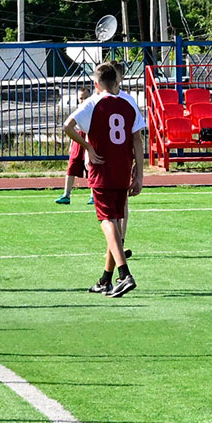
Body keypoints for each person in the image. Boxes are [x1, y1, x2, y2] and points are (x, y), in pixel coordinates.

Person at [63, 63, 144, 298]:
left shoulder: (93, 103)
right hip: (123, 169)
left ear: (96, 84)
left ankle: (124, 274)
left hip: (102, 170)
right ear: (117, 82)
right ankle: (105, 280)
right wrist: (139, 173)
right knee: (116, 224)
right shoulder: (129, 102)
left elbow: (67, 126)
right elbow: (137, 139)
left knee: (106, 221)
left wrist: (87, 146)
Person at [55, 139, 90, 206]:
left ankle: (93, 196)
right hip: (77, 142)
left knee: (90, 169)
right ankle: (66, 195)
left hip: (89, 142)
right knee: (71, 168)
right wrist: (71, 145)